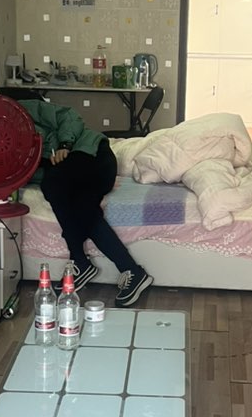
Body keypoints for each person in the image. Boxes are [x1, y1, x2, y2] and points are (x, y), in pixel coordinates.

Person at [16, 97, 153, 307]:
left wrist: (65, 144)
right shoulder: (1, 152)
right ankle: (131, 270)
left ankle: (80, 261)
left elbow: (68, 115)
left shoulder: (22, 109)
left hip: (90, 154)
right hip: (72, 175)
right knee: (81, 207)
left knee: (52, 184)